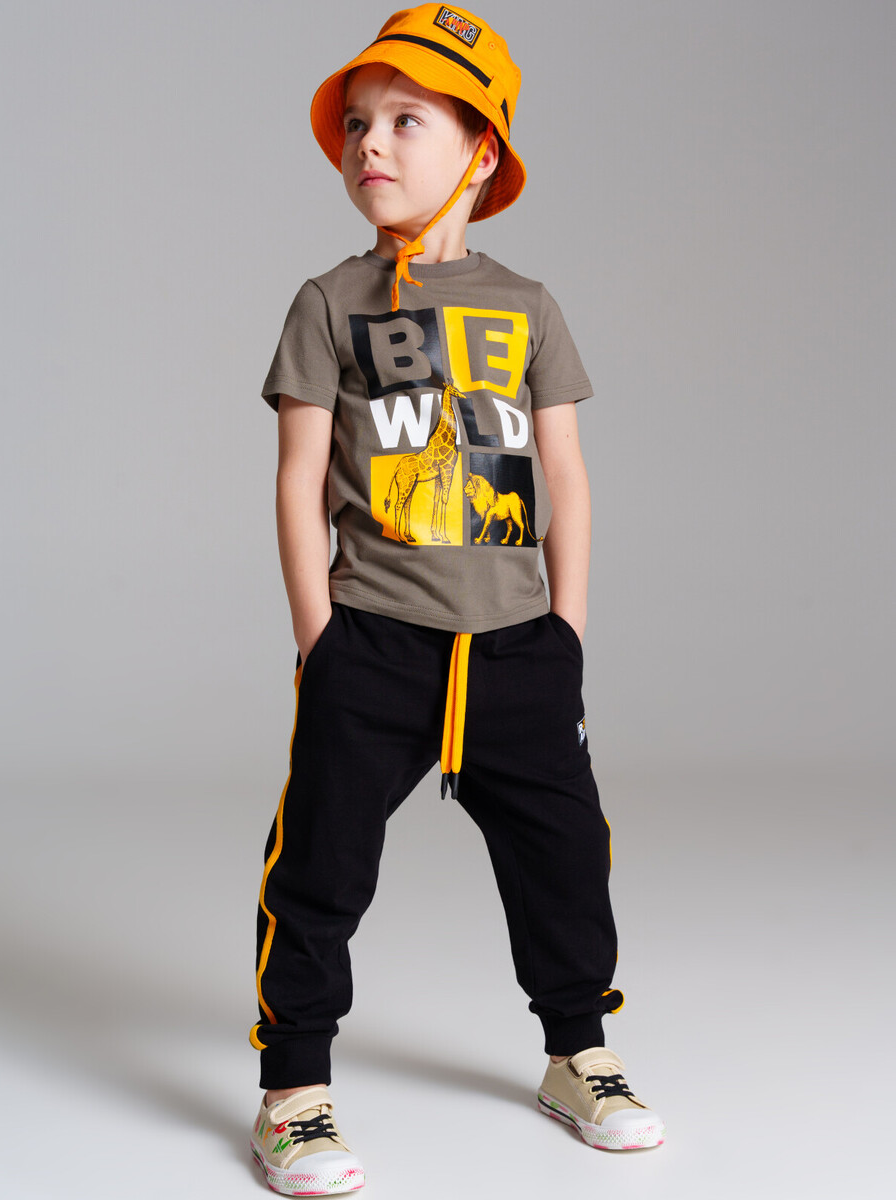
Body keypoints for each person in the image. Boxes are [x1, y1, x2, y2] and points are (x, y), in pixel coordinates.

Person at [248, 6, 664, 1194]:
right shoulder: (328, 303)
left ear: (481, 153)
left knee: (564, 856)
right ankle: (293, 1092)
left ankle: (579, 1053)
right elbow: (296, 480)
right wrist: (321, 638)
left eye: (406, 121)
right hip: (374, 640)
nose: (369, 144)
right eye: (357, 124)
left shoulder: (528, 304)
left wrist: (565, 629)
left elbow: (565, 473)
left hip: (517, 644)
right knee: (320, 865)